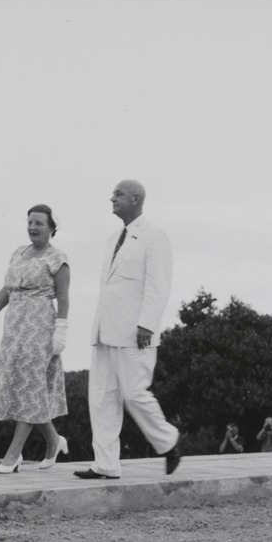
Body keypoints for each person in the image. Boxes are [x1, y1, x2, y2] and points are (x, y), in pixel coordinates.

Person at [75, 180, 181, 479]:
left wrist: (147, 323)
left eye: (118, 194)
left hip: (135, 332)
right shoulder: (113, 239)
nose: (112, 198)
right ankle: (106, 464)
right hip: (105, 331)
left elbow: (158, 284)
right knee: (102, 398)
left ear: (136, 199)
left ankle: (168, 441)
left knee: (135, 394)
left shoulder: (155, 236)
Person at [0, 204, 71, 473]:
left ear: (51, 227)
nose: (32, 227)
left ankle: (13, 454)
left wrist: (61, 329)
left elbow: (64, 296)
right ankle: (53, 441)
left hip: (40, 325)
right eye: (30, 222)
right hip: (14, 326)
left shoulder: (58, 258)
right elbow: (8, 288)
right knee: (22, 386)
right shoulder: (19, 253)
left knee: (30, 385)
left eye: (39, 223)